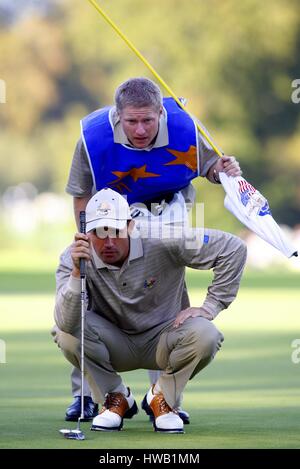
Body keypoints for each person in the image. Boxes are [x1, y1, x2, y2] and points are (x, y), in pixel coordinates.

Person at [63, 76, 242, 423]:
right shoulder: (92, 136)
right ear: (117, 116)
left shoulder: (185, 125)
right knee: (93, 296)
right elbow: (81, 192)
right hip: (111, 213)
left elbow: (209, 168)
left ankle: (165, 396)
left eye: (148, 119)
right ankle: (87, 395)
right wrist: (90, 241)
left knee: (165, 289)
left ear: (161, 111)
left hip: (168, 210)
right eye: (132, 121)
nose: (141, 129)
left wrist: (224, 170)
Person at [54, 188, 247, 433]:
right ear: (87, 233)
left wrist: (211, 306)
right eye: (99, 233)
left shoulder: (162, 237)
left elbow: (233, 248)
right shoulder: (72, 259)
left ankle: (162, 398)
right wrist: (76, 274)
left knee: (206, 334)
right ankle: (115, 398)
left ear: (130, 226)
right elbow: (65, 322)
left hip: (165, 339)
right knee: (66, 333)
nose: (109, 242)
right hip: (113, 343)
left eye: (116, 230)